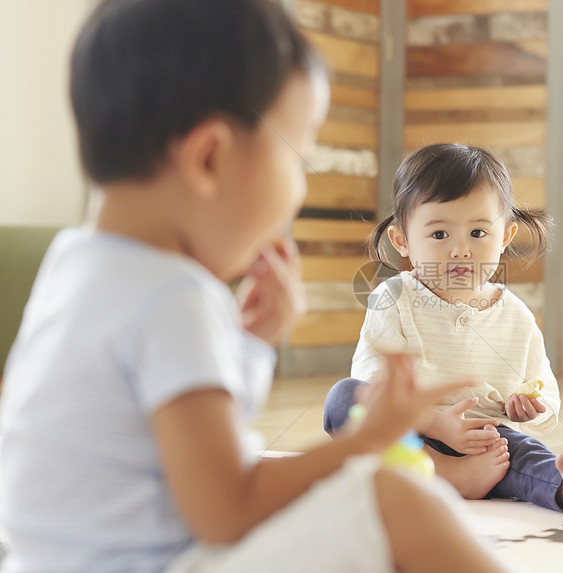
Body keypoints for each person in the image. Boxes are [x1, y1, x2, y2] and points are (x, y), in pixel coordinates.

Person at [0, 2, 518, 572]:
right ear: (210, 158)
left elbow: (187, 443)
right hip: (159, 560)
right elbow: (226, 508)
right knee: (397, 499)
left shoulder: (74, 262)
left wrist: (249, 345)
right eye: (295, 155)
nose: (297, 190)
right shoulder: (174, 296)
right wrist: (366, 442)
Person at [323, 143, 563, 522]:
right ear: (403, 242)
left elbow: (544, 390)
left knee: (523, 453)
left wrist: (530, 409)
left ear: (505, 237)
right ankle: (442, 473)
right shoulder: (395, 297)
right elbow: (374, 387)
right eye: (440, 235)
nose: (461, 250)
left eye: (478, 232)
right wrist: (435, 423)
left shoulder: (517, 317)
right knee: (344, 400)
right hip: (408, 436)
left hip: (484, 440)